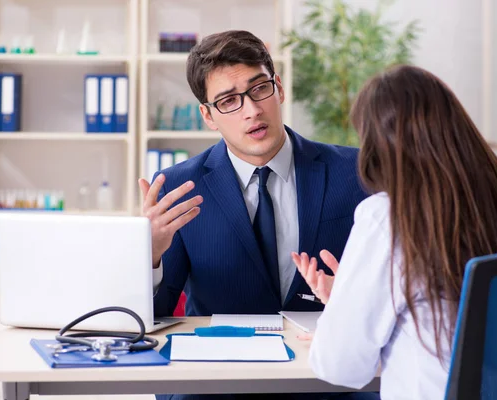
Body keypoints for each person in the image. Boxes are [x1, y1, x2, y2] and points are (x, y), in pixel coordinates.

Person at [138, 30, 377, 399]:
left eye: (259, 89)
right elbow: (154, 316)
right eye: (229, 101)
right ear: (208, 116)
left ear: (278, 89)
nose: (251, 110)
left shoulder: (355, 171)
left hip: (327, 376)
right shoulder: (177, 187)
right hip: (220, 381)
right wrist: (149, 254)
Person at [292, 64, 497, 400]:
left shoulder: (388, 218)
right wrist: (348, 300)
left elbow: (339, 366)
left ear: (377, 147)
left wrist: (341, 316)